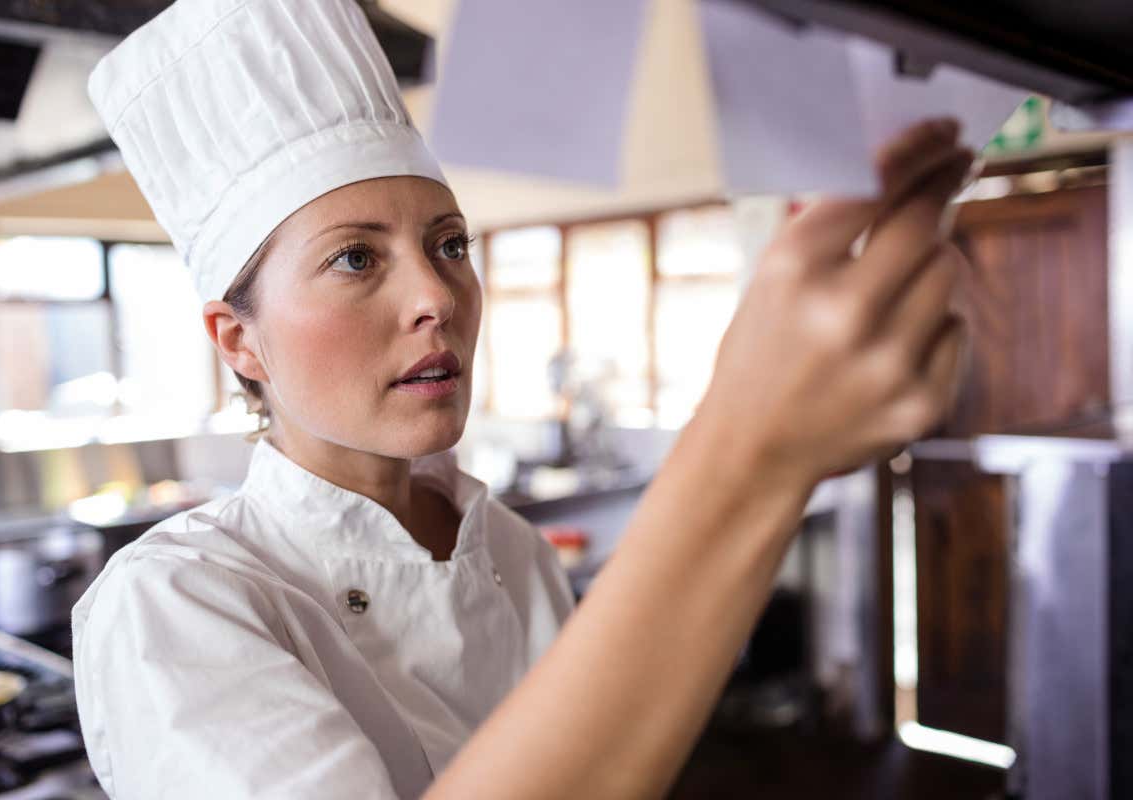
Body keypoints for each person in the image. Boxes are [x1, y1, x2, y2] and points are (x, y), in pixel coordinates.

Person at [71, 0, 973, 797]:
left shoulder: (511, 550)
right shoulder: (173, 605)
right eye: (356, 257)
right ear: (239, 339)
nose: (435, 296)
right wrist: (749, 454)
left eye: (451, 244)